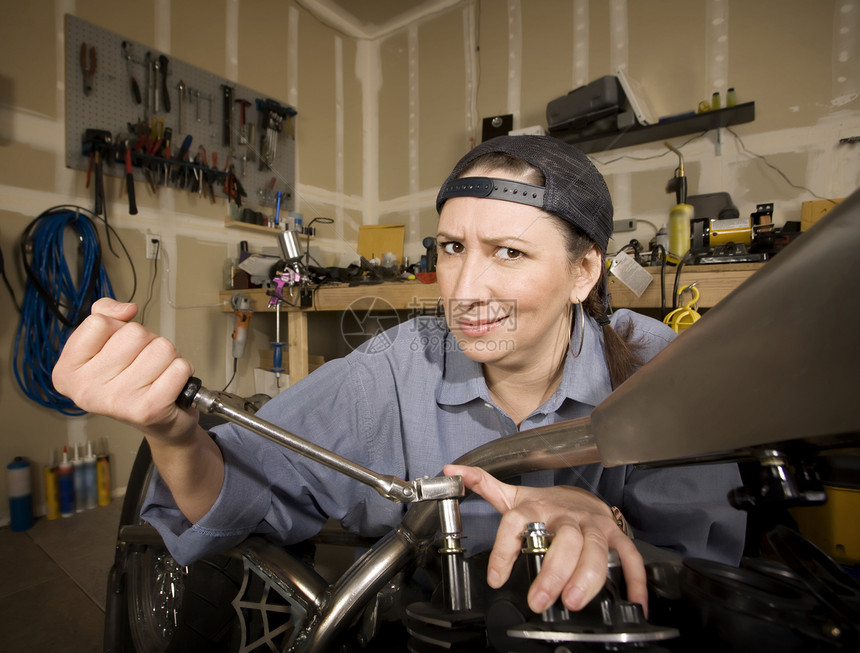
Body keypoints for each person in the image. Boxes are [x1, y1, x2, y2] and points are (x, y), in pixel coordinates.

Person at [53, 135, 745, 619]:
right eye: (451, 248)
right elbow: (232, 493)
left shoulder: (659, 372)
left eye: (508, 251)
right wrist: (170, 430)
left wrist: (606, 516)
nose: (466, 289)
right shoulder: (389, 371)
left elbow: (713, 582)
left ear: (584, 271)